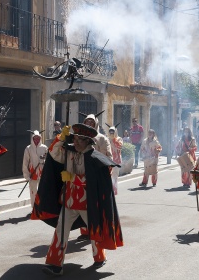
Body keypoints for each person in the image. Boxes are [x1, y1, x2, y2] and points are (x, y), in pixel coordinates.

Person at [40, 124, 123, 276]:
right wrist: (61, 137)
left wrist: (73, 178)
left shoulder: (95, 158)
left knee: (94, 231)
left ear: (88, 141)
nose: (75, 142)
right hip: (69, 201)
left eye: (79, 140)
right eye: (75, 139)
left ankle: (100, 256)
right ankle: (55, 264)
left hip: (87, 203)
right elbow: (53, 153)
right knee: (60, 231)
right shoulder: (69, 152)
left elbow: (94, 182)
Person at [77, 111, 113, 241]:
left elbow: (108, 157)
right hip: (81, 175)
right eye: (87, 122)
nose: (89, 124)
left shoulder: (102, 138)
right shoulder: (79, 137)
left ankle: (95, 229)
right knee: (81, 203)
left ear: (96, 124)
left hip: (96, 174)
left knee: (95, 204)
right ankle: (84, 230)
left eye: (92, 122)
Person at [22, 130, 48, 208]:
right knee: (33, 191)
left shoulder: (44, 148)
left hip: (42, 172)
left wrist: (43, 160)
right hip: (32, 173)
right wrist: (26, 175)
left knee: (43, 190)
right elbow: (25, 162)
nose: (36, 140)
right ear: (32, 139)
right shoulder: (28, 148)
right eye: (35, 138)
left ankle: (42, 207)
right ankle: (34, 208)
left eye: (38, 138)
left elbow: (48, 161)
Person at [107, 124, 123, 195]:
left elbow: (120, 147)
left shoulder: (119, 139)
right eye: (110, 131)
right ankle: (109, 189)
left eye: (113, 132)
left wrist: (114, 139)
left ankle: (114, 190)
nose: (111, 133)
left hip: (117, 160)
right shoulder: (107, 139)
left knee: (115, 176)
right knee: (108, 175)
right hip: (108, 160)